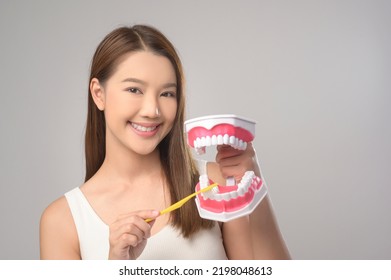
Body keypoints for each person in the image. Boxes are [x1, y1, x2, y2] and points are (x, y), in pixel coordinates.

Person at [39, 25, 291, 260]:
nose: (152, 110)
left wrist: (252, 185)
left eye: (167, 94)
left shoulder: (217, 185)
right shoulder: (62, 221)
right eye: (134, 90)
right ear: (98, 94)